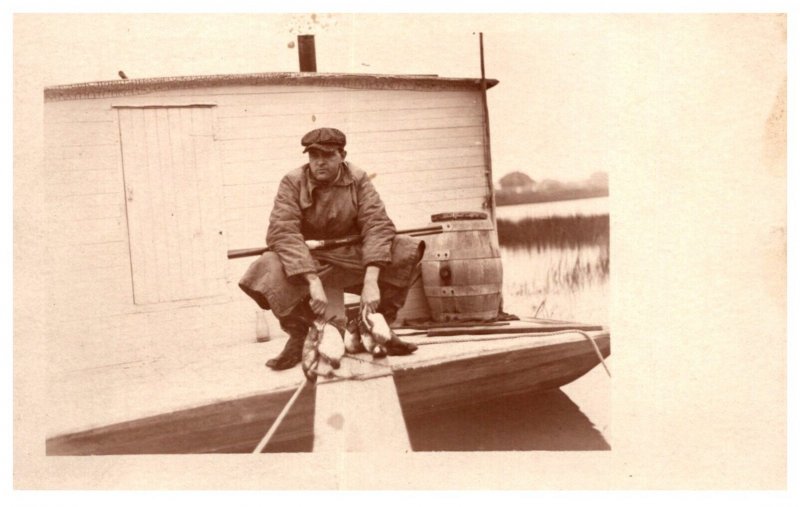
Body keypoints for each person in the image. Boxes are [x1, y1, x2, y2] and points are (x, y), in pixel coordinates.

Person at [239, 127, 423, 371]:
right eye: (314, 156)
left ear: (342, 155)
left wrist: (371, 280)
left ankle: (378, 327)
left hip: (351, 254)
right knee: (266, 265)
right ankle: (299, 337)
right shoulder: (292, 182)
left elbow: (378, 225)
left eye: (327, 155)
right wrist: (312, 280)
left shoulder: (358, 179)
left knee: (406, 248)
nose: (319, 162)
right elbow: (283, 232)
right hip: (309, 259)